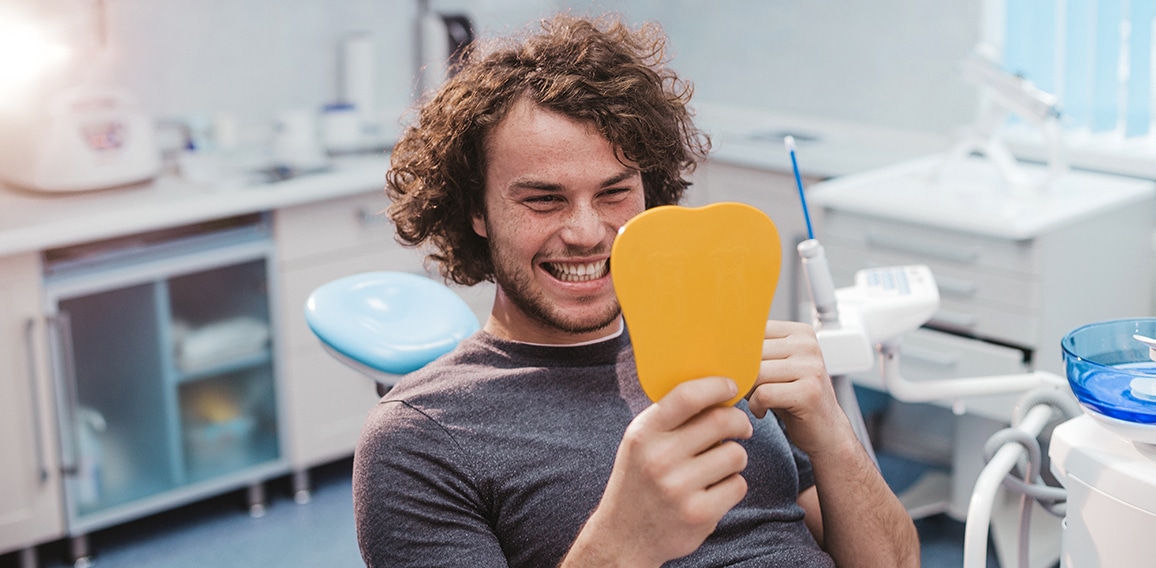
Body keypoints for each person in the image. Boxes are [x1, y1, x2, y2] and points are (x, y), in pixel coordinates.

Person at [353, 13, 919, 568]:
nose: (586, 233)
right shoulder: (420, 438)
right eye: (543, 199)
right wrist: (624, 541)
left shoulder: (717, 350)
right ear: (476, 209)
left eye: (614, 193)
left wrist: (833, 438)